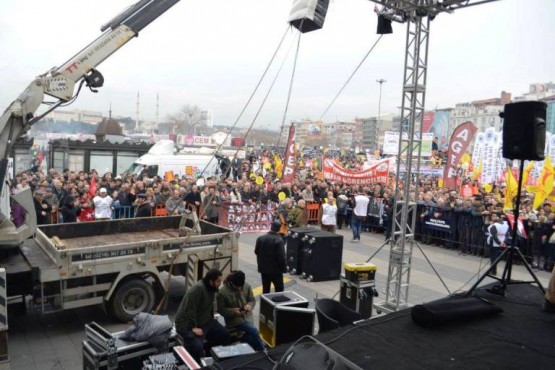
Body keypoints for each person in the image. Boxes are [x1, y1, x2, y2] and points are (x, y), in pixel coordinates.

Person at [175, 268, 230, 362]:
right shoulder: (197, 289)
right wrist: (194, 327)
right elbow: (189, 310)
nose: (220, 283)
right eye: (218, 281)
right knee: (197, 347)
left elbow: (210, 306)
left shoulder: (212, 288)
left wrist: (212, 319)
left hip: (204, 320)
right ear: (211, 281)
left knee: (224, 334)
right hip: (187, 324)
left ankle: (210, 354)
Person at [216, 270, 265, 351]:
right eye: (236, 286)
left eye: (240, 286)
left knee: (249, 337)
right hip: (234, 320)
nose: (239, 288)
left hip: (247, 316)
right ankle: (262, 350)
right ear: (231, 282)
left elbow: (252, 300)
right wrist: (233, 311)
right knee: (254, 331)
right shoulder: (222, 293)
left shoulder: (246, 286)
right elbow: (221, 310)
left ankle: (250, 348)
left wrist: (249, 305)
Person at [254, 221, 287, 294]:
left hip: (264, 269)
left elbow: (256, 252)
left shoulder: (260, 238)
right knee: (279, 290)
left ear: (271, 227)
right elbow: (281, 257)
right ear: (279, 229)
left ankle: (265, 304)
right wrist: (284, 269)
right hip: (276, 271)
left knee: (265, 290)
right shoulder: (279, 240)